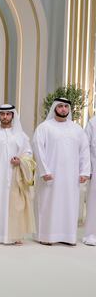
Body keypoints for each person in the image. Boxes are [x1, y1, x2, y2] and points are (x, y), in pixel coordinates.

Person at [32, 97, 89, 245]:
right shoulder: (44, 127)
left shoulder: (77, 129)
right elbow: (38, 149)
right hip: (50, 176)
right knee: (49, 204)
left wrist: (84, 172)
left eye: (66, 106)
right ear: (55, 108)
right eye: (60, 106)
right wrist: (44, 171)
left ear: (69, 109)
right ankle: (47, 236)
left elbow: (84, 151)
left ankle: (68, 237)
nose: (63, 109)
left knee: (69, 204)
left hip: (71, 176)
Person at [0, 104, 35, 245]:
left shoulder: (21, 135)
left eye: (8, 114)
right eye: (2, 114)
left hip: (14, 176)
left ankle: (13, 235)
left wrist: (20, 161)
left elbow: (28, 153)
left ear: (13, 116)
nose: (5, 117)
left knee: (14, 204)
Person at [82, 112, 96, 245]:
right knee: (94, 203)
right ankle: (92, 234)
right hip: (95, 168)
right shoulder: (93, 123)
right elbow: (86, 148)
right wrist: (88, 169)